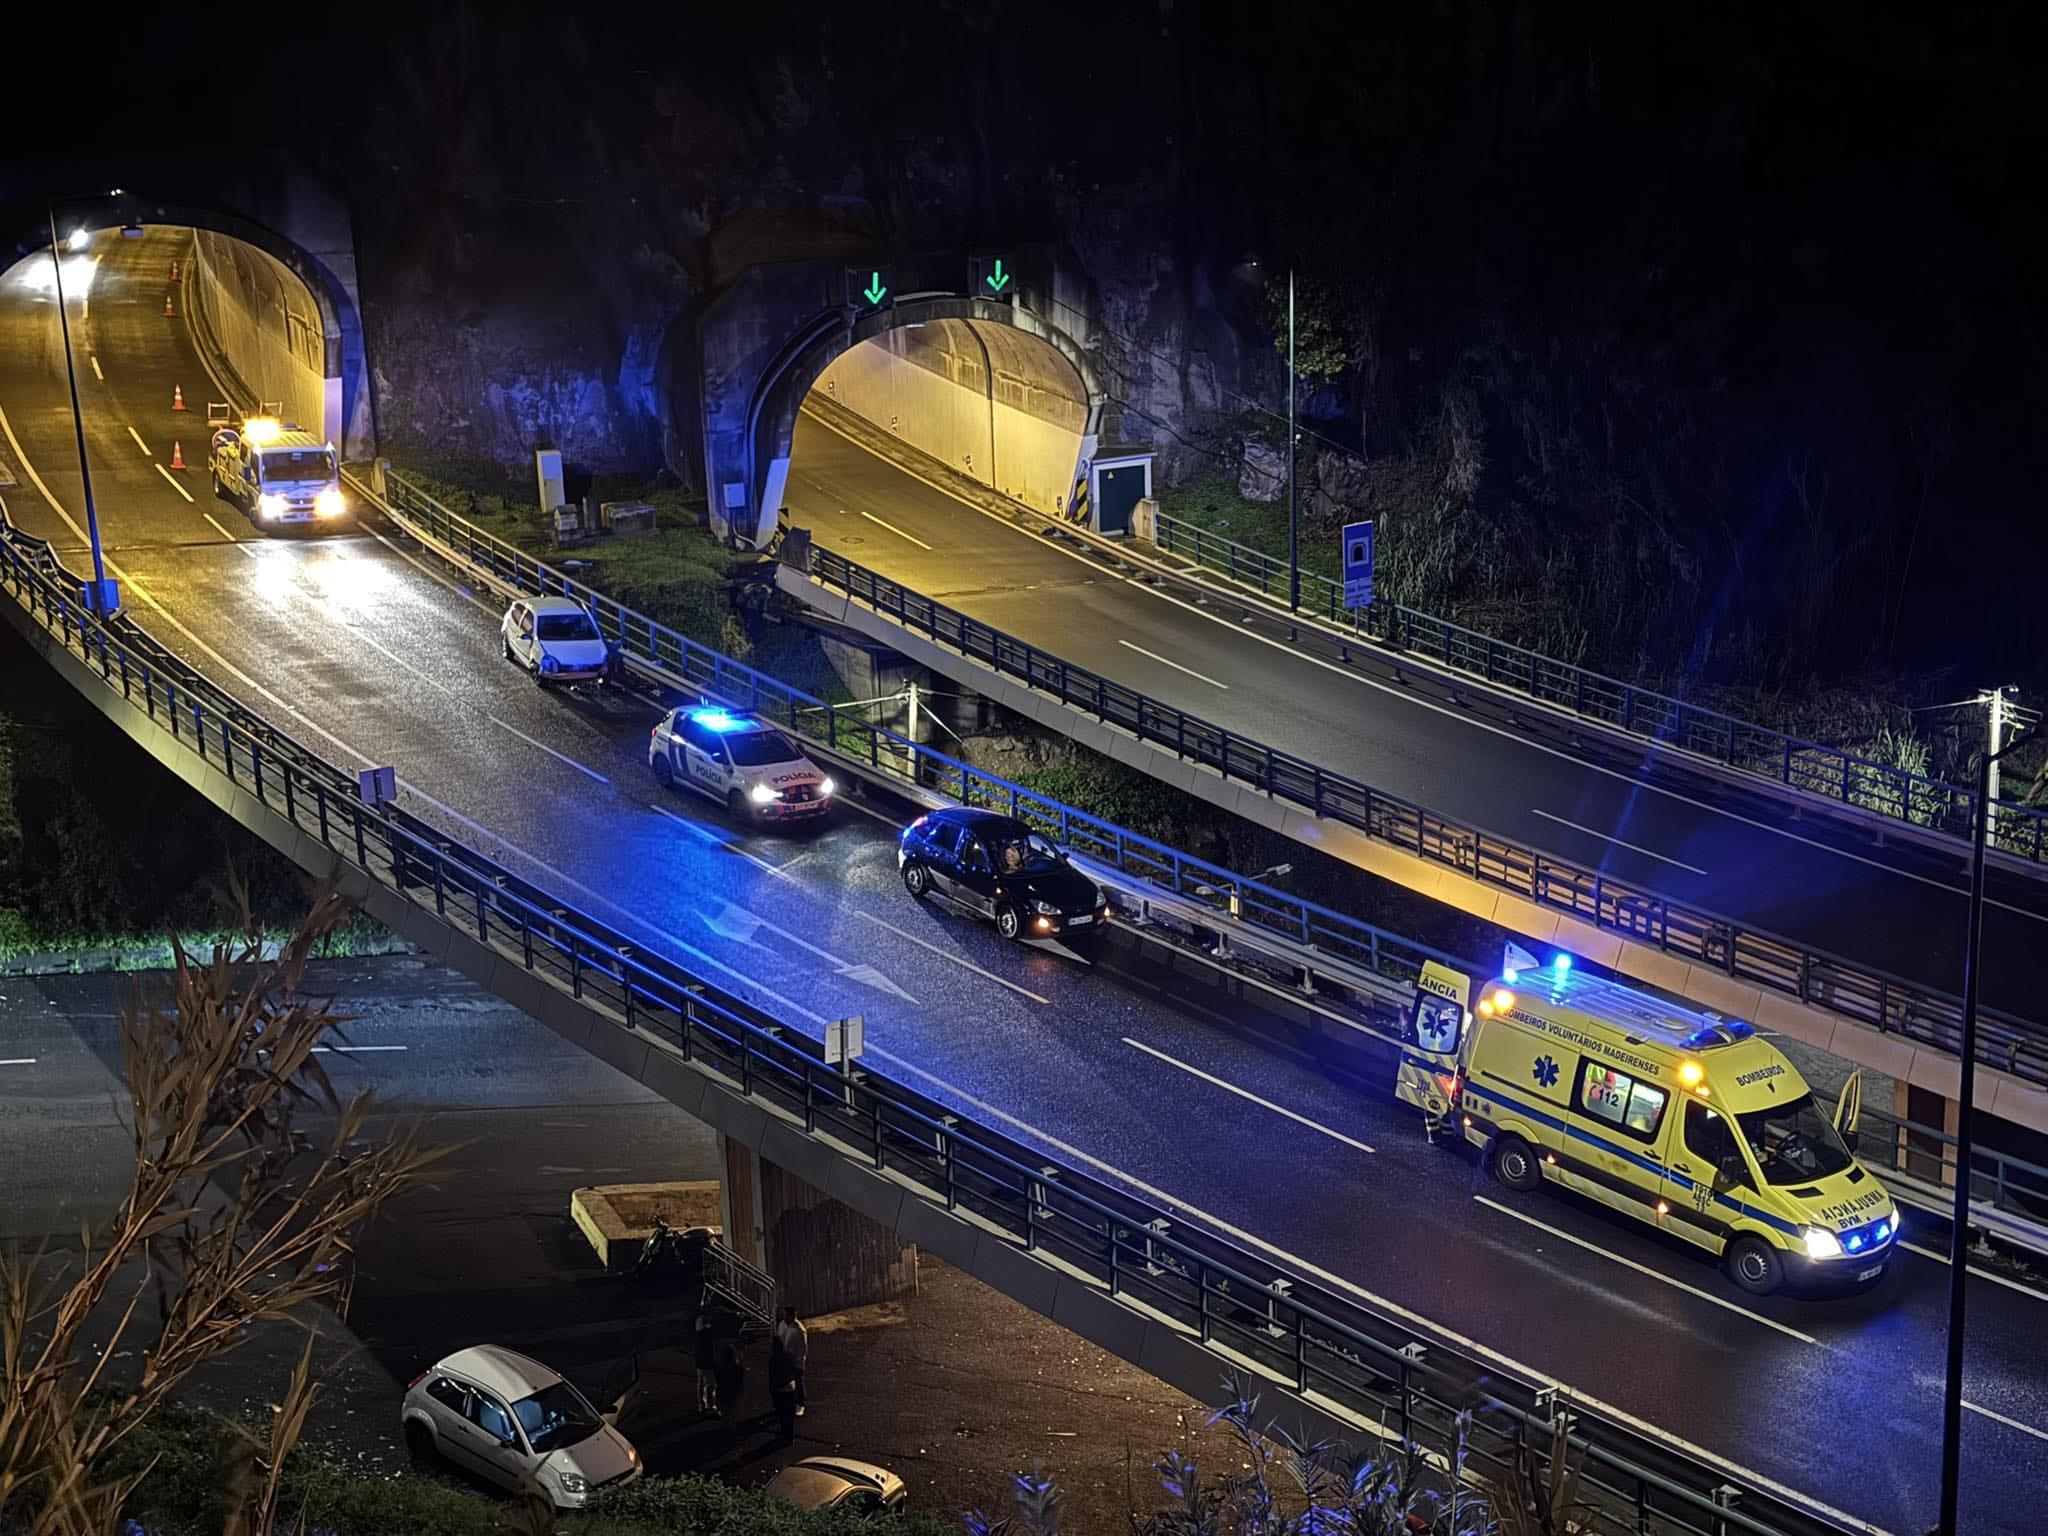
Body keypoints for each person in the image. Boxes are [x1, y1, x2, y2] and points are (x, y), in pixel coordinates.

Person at [772, 1306, 809, 1417]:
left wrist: (800, 1363)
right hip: (784, 1359)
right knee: (786, 1382)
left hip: (794, 1360)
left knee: (798, 1381)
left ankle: (800, 1404)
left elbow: (803, 1349)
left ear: (792, 1316)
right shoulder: (782, 1325)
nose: (784, 1317)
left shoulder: (799, 1329)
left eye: (786, 1315)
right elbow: (779, 1339)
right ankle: (788, 1403)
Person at [714, 1338, 746, 1437]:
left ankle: (725, 1425)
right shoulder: (737, 1367)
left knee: (724, 1409)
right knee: (732, 1409)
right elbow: (740, 1379)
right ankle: (732, 1427)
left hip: (722, 1391)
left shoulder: (719, 1367)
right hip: (732, 1391)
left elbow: (717, 1378)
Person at [692, 1307, 717, 1412]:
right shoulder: (706, 1334)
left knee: (701, 1383)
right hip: (706, 1360)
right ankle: (710, 1405)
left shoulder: (699, 1335)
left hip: (700, 1360)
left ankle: (702, 1405)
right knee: (711, 1384)